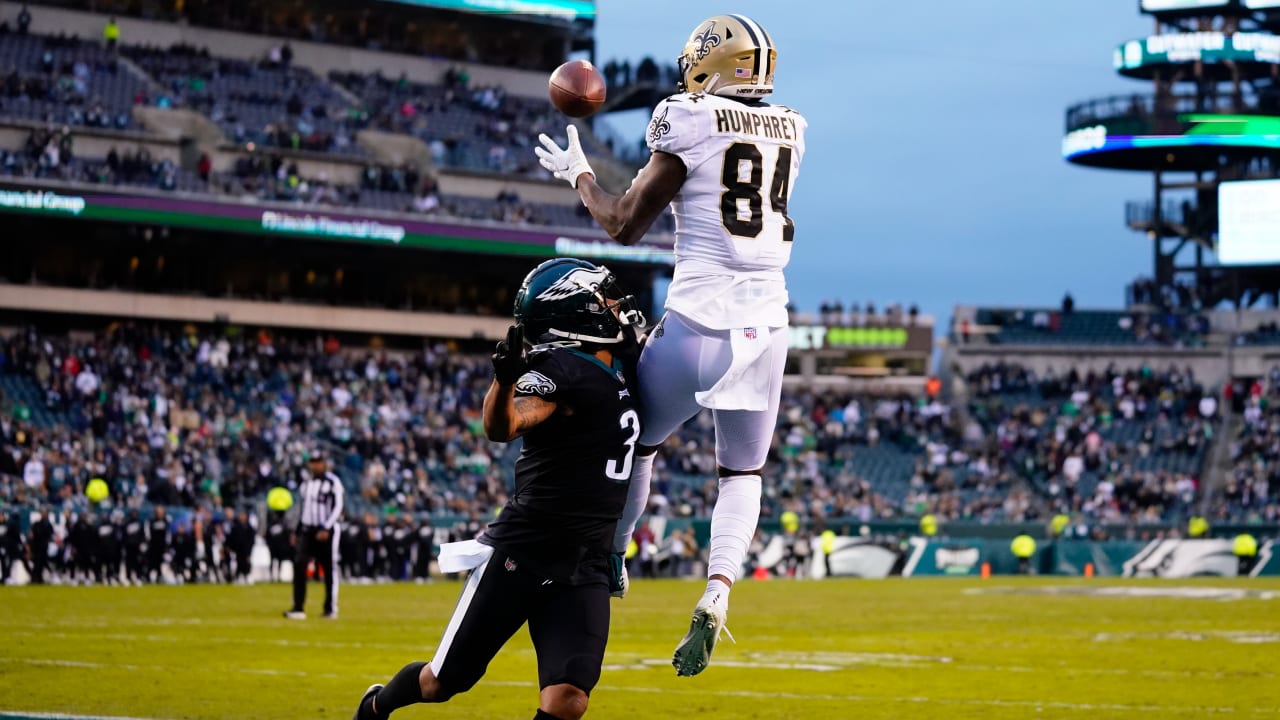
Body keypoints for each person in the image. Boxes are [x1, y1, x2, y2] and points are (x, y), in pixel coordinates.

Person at [535, 14, 806, 677]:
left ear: (711, 63)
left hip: (698, 320)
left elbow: (625, 224)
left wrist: (580, 176)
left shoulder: (687, 116)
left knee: (637, 442)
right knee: (742, 475)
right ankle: (716, 596)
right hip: (768, 323)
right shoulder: (794, 127)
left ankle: (614, 551)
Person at [352, 257, 644, 720]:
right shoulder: (560, 367)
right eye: (603, 298)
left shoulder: (625, 362)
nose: (616, 305)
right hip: (524, 552)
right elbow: (504, 425)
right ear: (576, 312)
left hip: (586, 559)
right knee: (442, 681)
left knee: (569, 699)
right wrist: (505, 381)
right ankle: (376, 706)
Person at [284, 450, 344, 619]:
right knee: (299, 564)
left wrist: (326, 527)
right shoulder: (307, 483)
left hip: (326, 530)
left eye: (318, 462)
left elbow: (338, 507)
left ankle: (330, 607)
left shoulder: (333, 482)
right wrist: (298, 529)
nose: (315, 465)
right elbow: (304, 508)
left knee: (329, 568)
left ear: (324, 463)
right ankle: (298, 607)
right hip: (308, 529)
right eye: (313, 462)